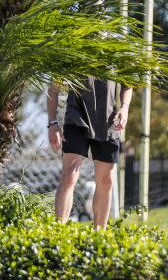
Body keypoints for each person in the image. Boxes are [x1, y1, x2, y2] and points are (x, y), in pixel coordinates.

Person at [47, 77, 132, 229]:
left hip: (109, 121)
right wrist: (53, 123)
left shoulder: (117, 54)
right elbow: (54, 86)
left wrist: (125, 107)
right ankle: (57, 234)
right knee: (69, 177)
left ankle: (98, 236)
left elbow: (128, 85)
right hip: (76, 118)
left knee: (106, 181)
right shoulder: (72, 52)